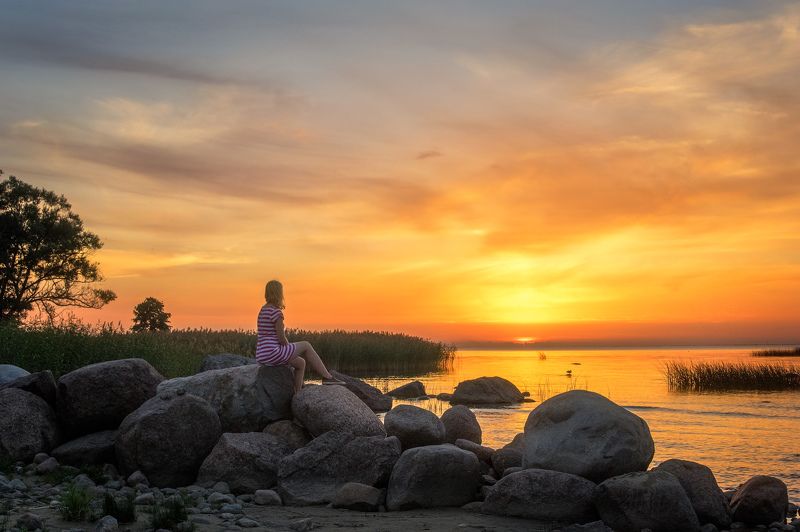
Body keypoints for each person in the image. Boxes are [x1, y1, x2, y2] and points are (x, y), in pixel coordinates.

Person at [256, 279, 344, 391]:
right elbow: (281, 339)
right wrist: (288, 349)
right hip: (273, 353)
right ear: (279, 293)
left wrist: (288, 352)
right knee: (306, 345)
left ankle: (297, 393)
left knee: (301, 363)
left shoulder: (263, 310)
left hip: (262, 355)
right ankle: (327, 377)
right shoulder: (276, 312)